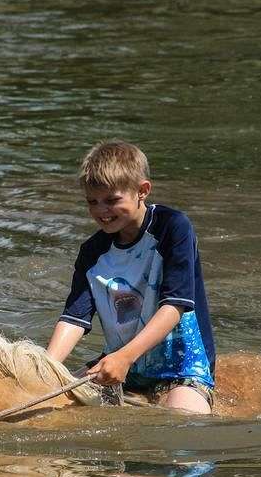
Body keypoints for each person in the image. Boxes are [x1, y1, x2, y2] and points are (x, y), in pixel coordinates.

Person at [46, 141, 215, 414]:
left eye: (112, 200)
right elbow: (73, 319)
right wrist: (44, 368)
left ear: (142, 191)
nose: (102, 210)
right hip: (120, 366)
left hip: (182, 369)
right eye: (92, 202)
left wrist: (125, 357)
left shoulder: (174, 227)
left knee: (186, 428)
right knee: (48, 406)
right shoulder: (92, 252)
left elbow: (174, 307)